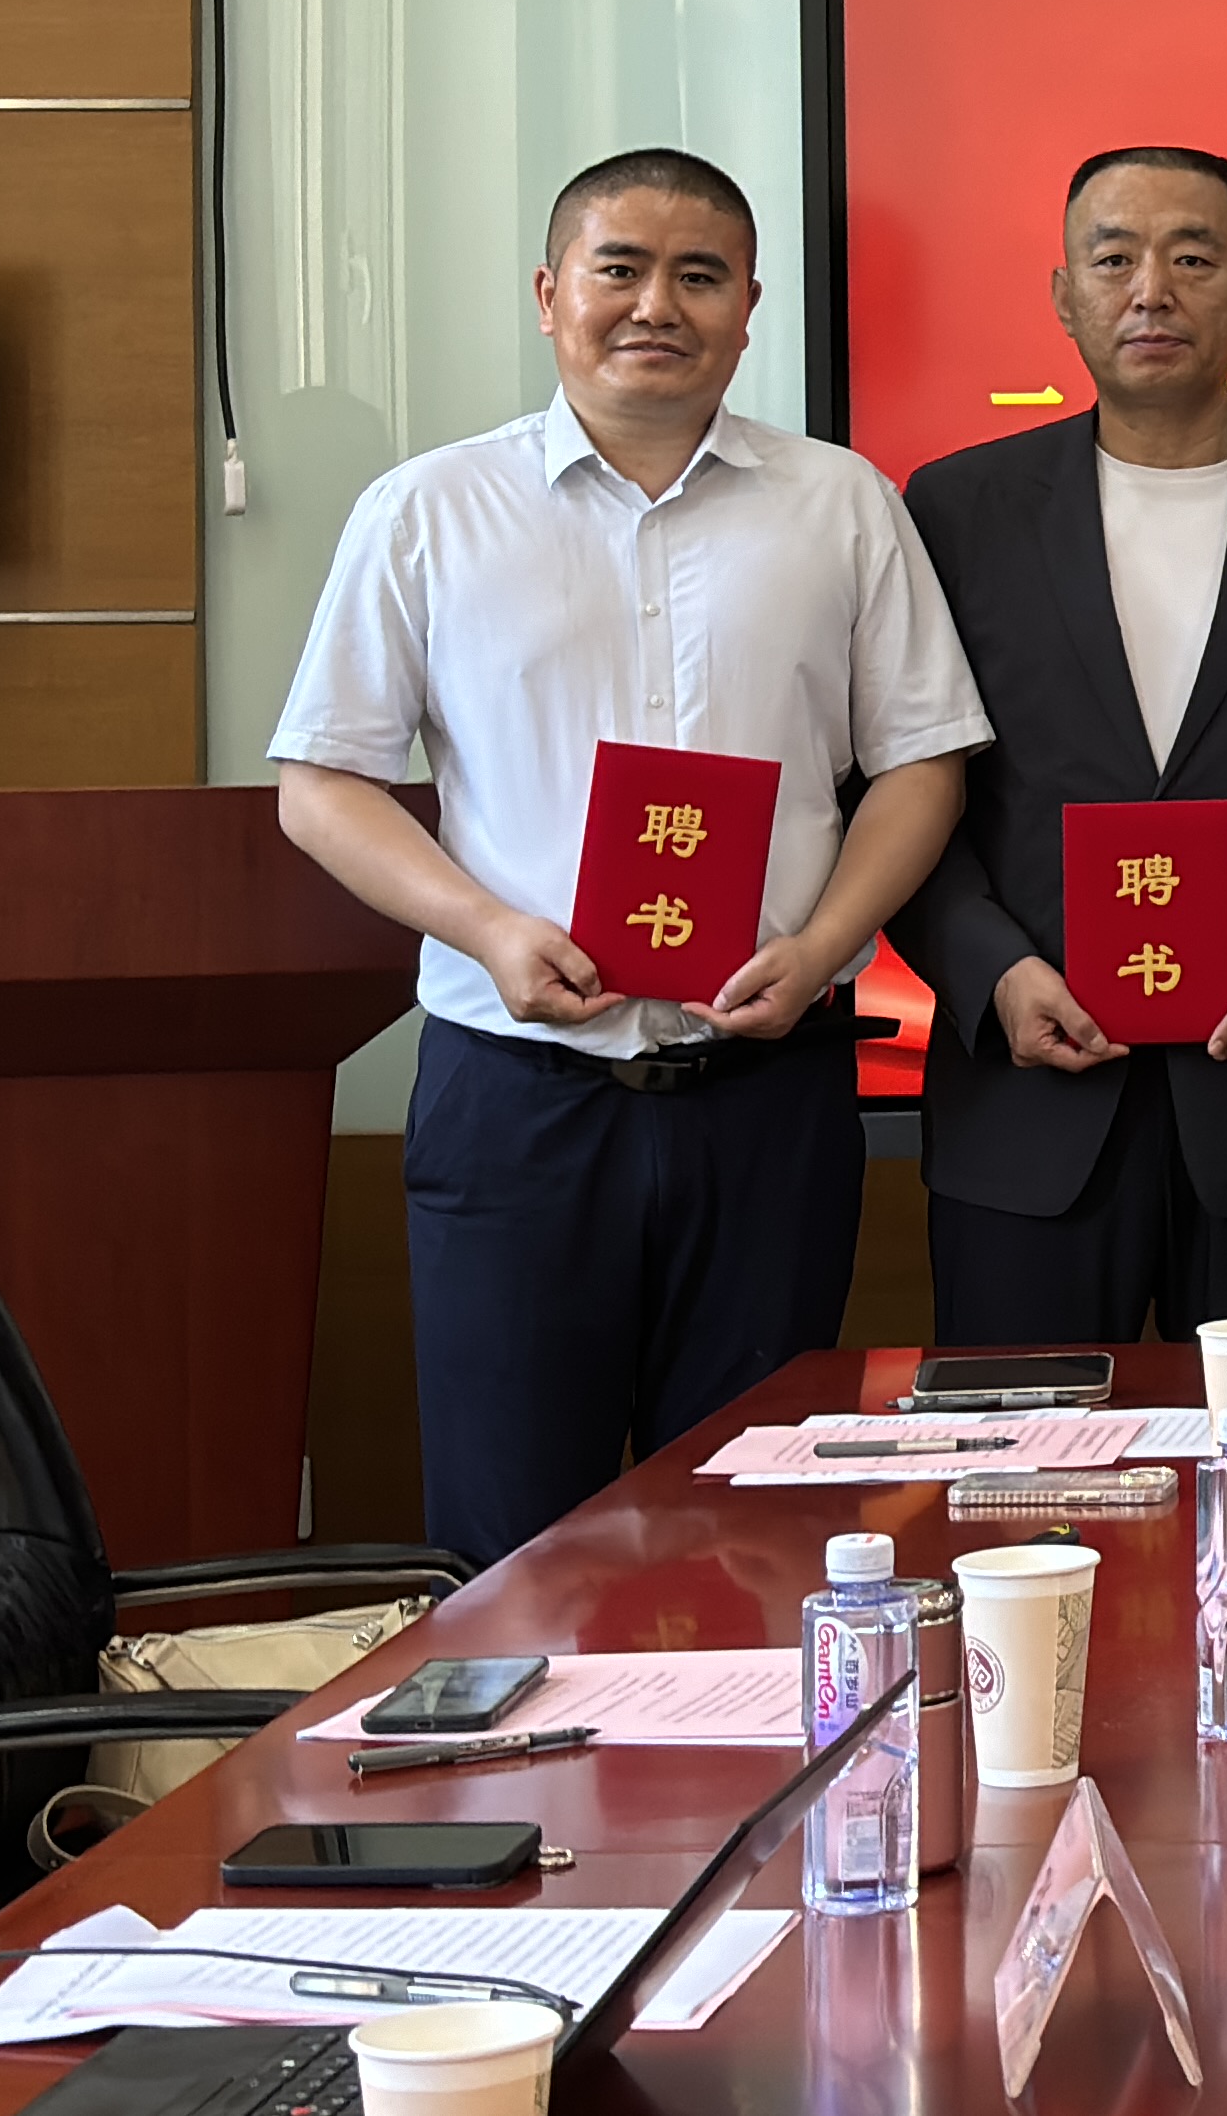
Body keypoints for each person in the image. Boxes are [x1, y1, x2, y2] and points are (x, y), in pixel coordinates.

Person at [270, 150, 988, 1561]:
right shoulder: (428, 510)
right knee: (513, 1540)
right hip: (517, 1098)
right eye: (621, 268)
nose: (657, 304)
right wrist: (486, 928)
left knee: (754, 1532)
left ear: (749, 308)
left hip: (766, 1094)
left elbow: (924, 764)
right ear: (551, 294)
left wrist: (822, 946)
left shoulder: (841, 503)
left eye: (698, 275)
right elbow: (323, 785)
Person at [890, 147, 1227, 1344]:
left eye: (1193, 257)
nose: (1152, 290)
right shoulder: (954, 510)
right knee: (1024, 1445)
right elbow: (894, 786)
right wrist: (991, 969)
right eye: (1114, 259)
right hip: (1025, 1104)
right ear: (1062, 294)